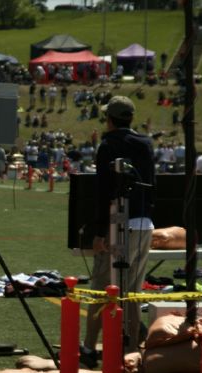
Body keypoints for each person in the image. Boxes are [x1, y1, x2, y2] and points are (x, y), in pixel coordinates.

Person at [84, 95, 156, 358]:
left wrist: (99, 232)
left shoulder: (108, 145)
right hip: (144, 223)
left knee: (101, 287)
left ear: (109, 119)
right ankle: (131, 351)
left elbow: (104, 192)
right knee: (133, 292)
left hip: (118, 225)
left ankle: (89, 347)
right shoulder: (146, 144)